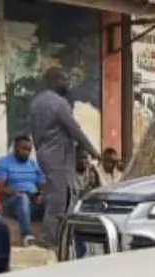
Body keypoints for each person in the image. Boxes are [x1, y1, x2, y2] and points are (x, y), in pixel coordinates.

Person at [29, 65, 98, 250]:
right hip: (58, 157)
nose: (68, 83)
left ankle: (61, 238)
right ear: (53, 82)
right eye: (64, 79)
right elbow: (74, 129)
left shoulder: (37, 102)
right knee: (59, 201)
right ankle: (49, 240)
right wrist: (92, 150)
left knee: (66, 195)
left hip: (46, 154)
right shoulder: (59, 103)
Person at [0, 134, 44, 246]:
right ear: (15, 148)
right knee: (22, 198)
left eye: (29, 150)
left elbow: (43, 184)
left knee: (55, 199)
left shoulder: (33, 164)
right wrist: (15, 192)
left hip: (33, 200)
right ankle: (27, 235)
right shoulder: (4, 163)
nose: (26, 152)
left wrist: (40, 195)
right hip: (13, 202)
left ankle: (53, 236)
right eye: (23, 149)